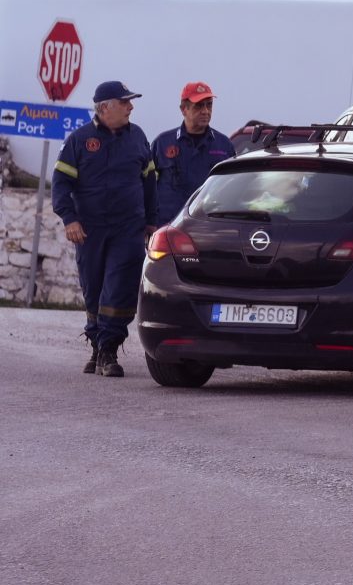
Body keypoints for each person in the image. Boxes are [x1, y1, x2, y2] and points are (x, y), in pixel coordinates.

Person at [51, 81, 160, 377]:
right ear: (104, 107)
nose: (131, 107)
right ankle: (97, 345)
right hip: (90, 230)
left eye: (130, 102)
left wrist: (151, 221)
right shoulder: (79, 140)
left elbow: (150, 183)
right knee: (94, 287)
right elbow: (61, 184)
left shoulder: (138, 137)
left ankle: (109, 348)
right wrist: (69, 219)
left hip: (128, 228)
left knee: (120, 286)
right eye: (125, 102)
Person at [147, 81, 234, 227]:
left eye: (209, 104)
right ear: (183, 109)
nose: (206, 111)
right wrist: (149, 222)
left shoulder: (224, 145)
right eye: (199, 105)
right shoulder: (162, 144)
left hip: (210, 227)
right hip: (169, 228)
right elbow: (147, 187)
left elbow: (233, 191)